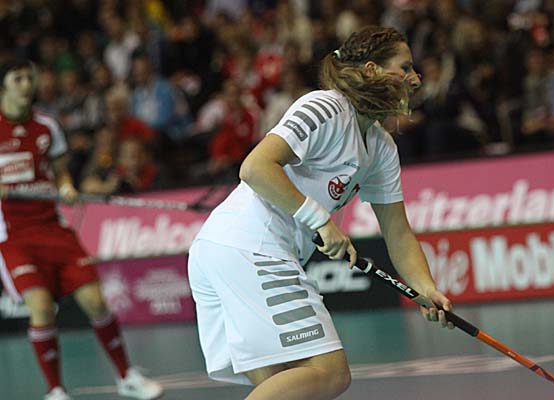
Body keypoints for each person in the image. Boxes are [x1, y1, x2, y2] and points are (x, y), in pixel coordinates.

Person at [187, 25, 454, 400]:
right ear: (372, 70)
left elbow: (397, 230)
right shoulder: (325, 107)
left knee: (286, 382)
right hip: (251, 248)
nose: (416, 78)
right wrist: (321, 221)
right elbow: (255, 167)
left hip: (229, 252)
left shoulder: (381, 148)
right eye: (405, 67)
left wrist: (424, 288)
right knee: (329, 373)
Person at [0, 58, 163, 400]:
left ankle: (126, 376)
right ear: (4, 86)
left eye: (30, 77)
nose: (27, 84)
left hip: (52, 227)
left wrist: (66, 186)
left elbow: (59, 170)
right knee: (41, 308)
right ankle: (55, 390)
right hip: (13, 235)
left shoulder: (46, 126)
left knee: (95, 300)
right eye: (18, 79)